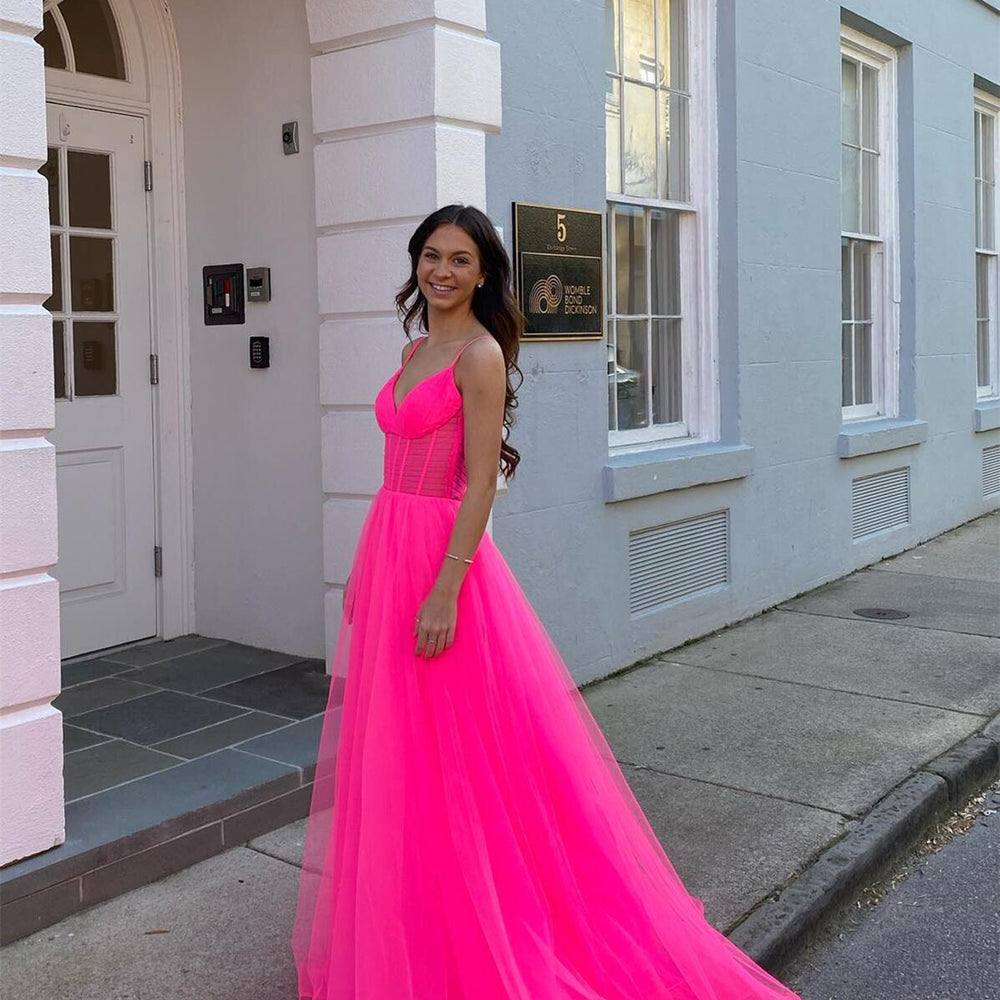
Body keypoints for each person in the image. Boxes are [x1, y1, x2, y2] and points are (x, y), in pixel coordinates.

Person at [291, 204, 804, 1000]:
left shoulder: (479, 355)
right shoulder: (414, 347)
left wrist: (446, 588)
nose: (443, 271)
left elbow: (478, 483)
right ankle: (416, 914)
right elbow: (397, 467)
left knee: (457, 755)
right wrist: (365, 567)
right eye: (432, 255)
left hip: (443, 560)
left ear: (486, 272)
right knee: (400, 750)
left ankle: (482, 920)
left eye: (461, 259)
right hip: (391, 546)